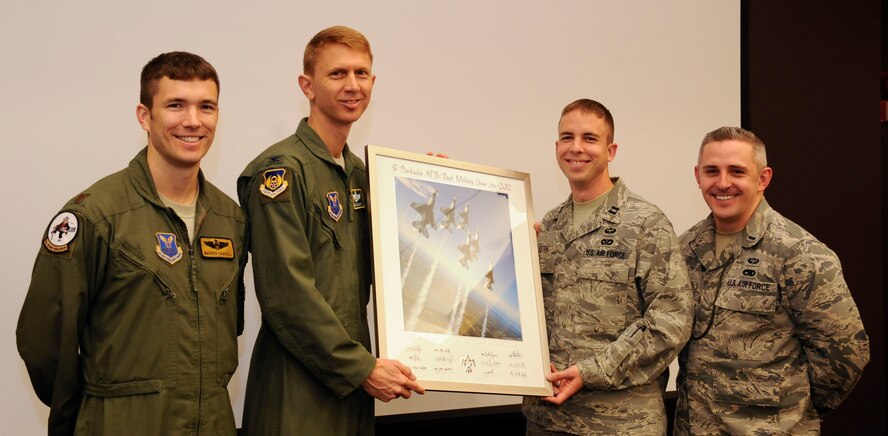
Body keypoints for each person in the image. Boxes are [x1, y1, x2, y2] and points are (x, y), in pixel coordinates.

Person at [16, 52, 247, 435]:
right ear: (145, 116)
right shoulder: (96, 217)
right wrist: (94, 416)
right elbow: (44, 344)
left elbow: (228, 326)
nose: (193, 121)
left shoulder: (230, 218)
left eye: (206, 107)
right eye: (176, 105)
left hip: (213, 424)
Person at [238, 26, 424, 435]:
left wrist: (437, 189)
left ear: (373, 82)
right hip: (298, 389)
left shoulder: (362, 175)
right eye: (337, 74)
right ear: (308, 85)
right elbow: (287, 293)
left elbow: (399, 265)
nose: (352, 85)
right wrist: (359, 367)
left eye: (361, 73)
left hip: (353, 388)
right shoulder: (281, 171)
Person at [674, 127, 870, 434]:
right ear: (698, 176)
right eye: (712, 171)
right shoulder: (683, 249)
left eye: (736, 171)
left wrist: (792, 410)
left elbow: (844, 355)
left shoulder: (800, 254)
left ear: (762, 178)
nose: (722, 183)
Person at [522, 99, 693, 435]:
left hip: (619, 423)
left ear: (610, 149)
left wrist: (590, 371)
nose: (576, 148)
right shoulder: (549, 227)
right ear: (557, 146)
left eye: (589, 138)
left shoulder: (646, 223)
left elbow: (671, 322)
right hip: (547, 419)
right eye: (567, 137)